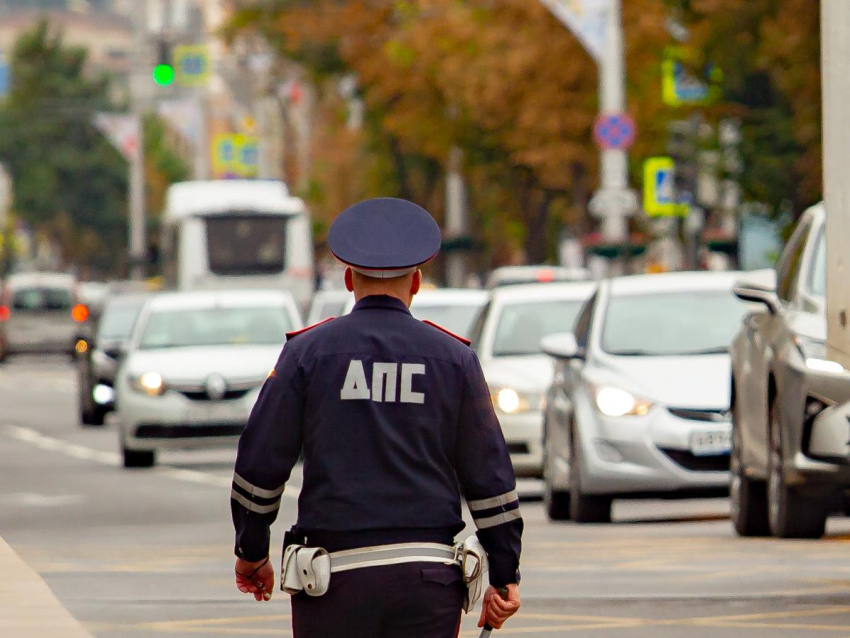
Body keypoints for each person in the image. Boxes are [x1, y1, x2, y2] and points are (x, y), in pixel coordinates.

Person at [231, 198, 522, 637]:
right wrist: (504, 574)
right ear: (417, 283)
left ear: (348, 279)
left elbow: (260, 465)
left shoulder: (307, 354)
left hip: (333, 583)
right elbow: (490, 479)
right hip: (428, 584)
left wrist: (252, 551)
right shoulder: (454, 360)